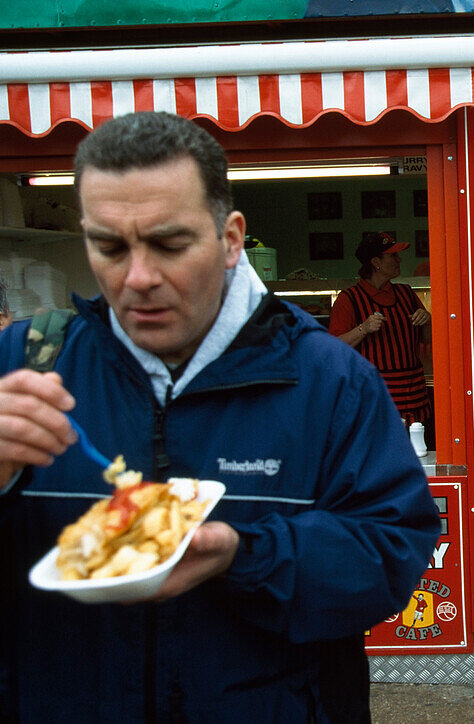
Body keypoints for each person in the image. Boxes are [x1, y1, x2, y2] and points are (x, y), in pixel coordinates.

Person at [0, 111, 441, 722]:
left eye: (169, 243)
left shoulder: (327, 379)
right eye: (109, 246)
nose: (139, 278)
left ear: (232, 238)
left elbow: (393, 553)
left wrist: (245, 553)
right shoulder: (23, 365)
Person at [329, 233, 432, 428]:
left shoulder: (406, 293)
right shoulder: (348, 299)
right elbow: (333, 349)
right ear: (376, 262)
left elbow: (428, 339)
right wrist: (363, 329)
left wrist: (427, 321)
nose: (399, 260)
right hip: (374, 401)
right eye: (393, 256)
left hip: (414, 398)